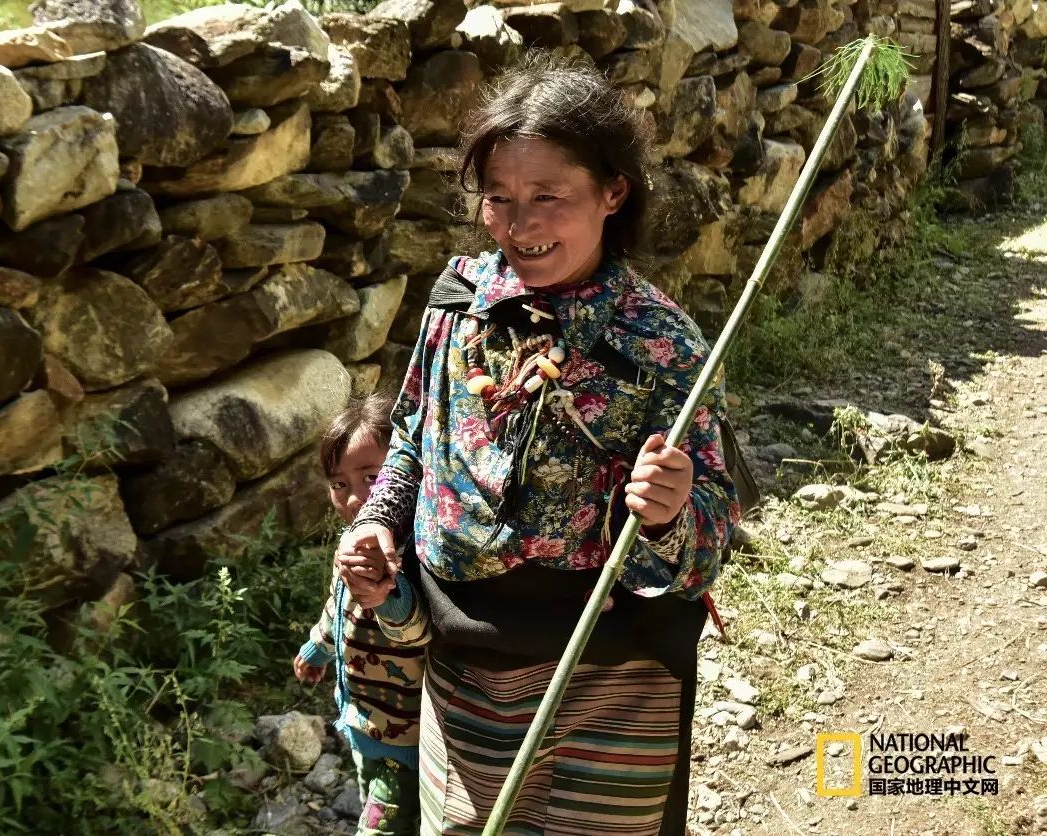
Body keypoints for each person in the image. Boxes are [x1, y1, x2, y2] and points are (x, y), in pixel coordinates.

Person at [337, 55, 741, 836]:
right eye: (499, 199)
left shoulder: (663, 345)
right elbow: (415, 438)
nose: (520, 227)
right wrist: (380, 518)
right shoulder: (457, 305)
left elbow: (710, 539)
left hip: (611, 680)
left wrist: (668, 516)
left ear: (613, 192)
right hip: (463, 671)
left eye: (548, 197)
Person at [294, 392, 427, 836]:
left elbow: (415, 630)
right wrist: (317, 647)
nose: (355, 499)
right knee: (376, 796)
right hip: (364, 725)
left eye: (372, 478)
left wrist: (381, 590)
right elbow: (340, 608)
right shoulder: (354, 543)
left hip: (404, 739)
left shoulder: (413, 554)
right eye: (339, 484)